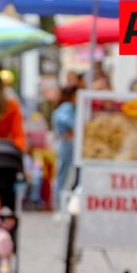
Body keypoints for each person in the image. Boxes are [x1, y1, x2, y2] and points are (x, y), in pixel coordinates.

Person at [53, 85, 78, 213]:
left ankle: (62, 205)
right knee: (64, 175)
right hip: (67, 144)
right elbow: (72, 123)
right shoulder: (67, 108)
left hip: (67, 143)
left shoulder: (71, 108)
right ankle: (59, 206)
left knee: (67, 175)